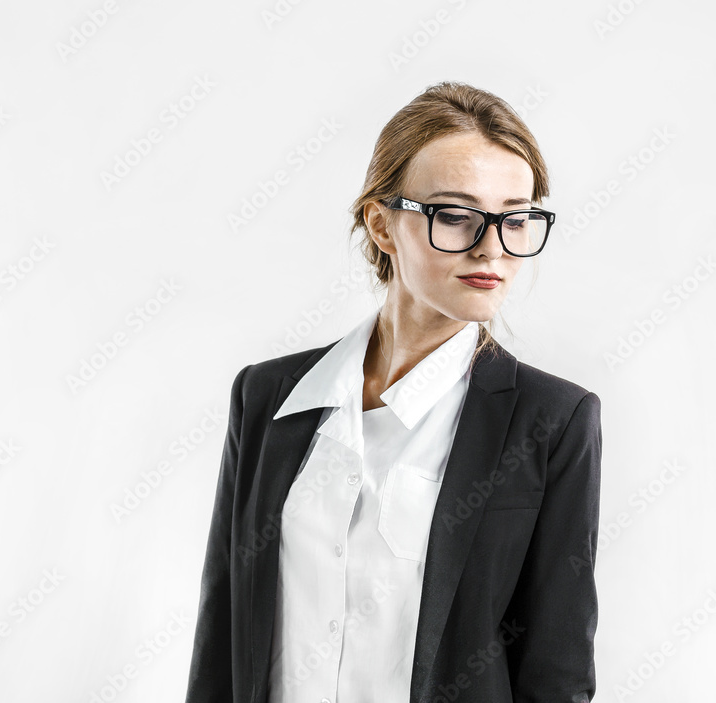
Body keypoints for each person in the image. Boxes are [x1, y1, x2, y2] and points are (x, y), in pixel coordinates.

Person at [184, 81, 602, 703]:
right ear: (382, 225)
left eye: (516, 218)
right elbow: (222, 635)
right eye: (455, 215)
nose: (493, 247)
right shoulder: (268, 397)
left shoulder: (555, 421)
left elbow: (556, 673)